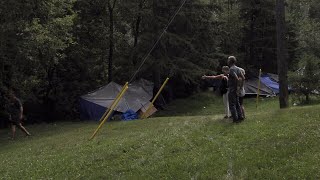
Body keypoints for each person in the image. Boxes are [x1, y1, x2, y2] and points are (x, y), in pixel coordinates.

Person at [227, 56, 245, 123]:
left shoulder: (231, 69)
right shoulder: (238, 68)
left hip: (232, 89)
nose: (227, 61)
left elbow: (236, 78)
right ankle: (240, 117)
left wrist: (237, 85)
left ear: (230, 61)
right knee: (237, 104)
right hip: (237, 89)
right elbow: (243, 78)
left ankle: (235, 119)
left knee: (232, 104)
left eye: (228, 60)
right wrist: (240, 87)